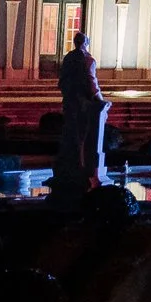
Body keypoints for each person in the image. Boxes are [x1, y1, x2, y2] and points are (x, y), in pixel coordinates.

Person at [55, 31, 109, 195]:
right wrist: (100, 99)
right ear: (86, 43)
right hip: (84, 106)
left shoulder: (68, 58)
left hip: (70, 102)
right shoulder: (87, 60)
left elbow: (62, 80)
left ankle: (69, 166)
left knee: (70, 134)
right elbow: (91, 82)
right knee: (83, 137)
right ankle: (83, 168)